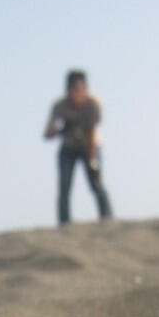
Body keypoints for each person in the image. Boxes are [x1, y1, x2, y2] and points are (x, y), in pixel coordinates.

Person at [43, 69, 113, 225]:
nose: (78, 93)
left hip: (89, 146)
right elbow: (47, 134)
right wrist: (62, 128)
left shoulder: (93, 104)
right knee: (64, 187)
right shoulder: (59, 106)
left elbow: (93, 133)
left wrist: (92, 159)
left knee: (96, 182)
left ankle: (108, 220)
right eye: (74, 89)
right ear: (67, 90)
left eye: (81, 88)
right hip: (68, 148)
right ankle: (64, 224)